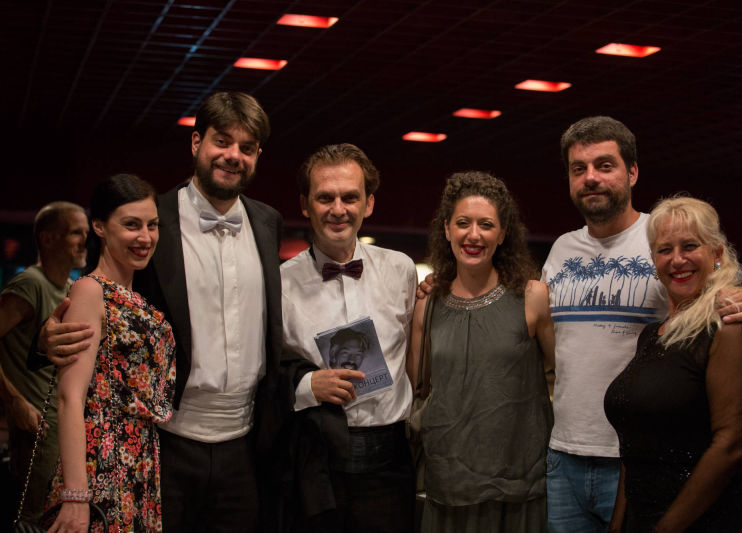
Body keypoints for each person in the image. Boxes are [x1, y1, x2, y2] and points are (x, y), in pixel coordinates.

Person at [40, 92, 291, 532]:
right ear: (196, 143)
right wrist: (47, 338)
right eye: (222, 141)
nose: (233, 155)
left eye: (247, 147)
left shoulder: (268, 221)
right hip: (165, 440)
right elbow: (104, 296)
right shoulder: (153, 219)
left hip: (246, 443)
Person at [540, 116, 742, 532]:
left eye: (605, 165)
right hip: (565, 456)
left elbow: (709, 292)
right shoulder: (561, 250)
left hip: (640, 460)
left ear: (633, 172)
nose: (591, 177)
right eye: (578, 168)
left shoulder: (661, 235)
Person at [280, 143, 417, 533]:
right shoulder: (279, 283)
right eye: (325, 197)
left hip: (391, 459)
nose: (338, 209)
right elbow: (262, 372)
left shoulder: (402, 270)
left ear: (368, 204)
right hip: (315, 458)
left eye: (350, 197)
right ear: (305, 204)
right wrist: (307, 385)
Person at [409, 171, 554, 532]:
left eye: (486, 224)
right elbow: (418, 385)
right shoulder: (427, 303)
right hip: (448, 481)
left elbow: (558, 378)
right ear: (447, 229)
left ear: (502, 234)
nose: (473, 234)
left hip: (518, 483)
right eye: (463, 223)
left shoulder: (533, 297)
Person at [604, 195, 742, 531]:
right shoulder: (651, 335)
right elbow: (636, 439)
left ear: (716, 254)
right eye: (665, 250)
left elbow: (731, 445)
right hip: (642, 515)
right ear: (654, 260)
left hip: (702, 520)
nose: (677, 260)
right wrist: (618, 524)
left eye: (690, 246)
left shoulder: (727, 328)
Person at [45, 173, 175, 532]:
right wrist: (75, 495)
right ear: (99, 226)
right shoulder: (90, 291)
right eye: (131, 225)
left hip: (139, 458)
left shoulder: (136, 294)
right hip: (101, 461)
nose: (145, 237)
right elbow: (70, 398)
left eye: (152, 225)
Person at [0, 201, 88, 523]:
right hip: (35, 431)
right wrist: (15, 401)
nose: (85, 241)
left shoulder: (71, 289)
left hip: (62, 427)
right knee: (31, 519)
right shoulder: (30, 284)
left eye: (86, 233)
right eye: (76, 233)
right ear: (48, 239)